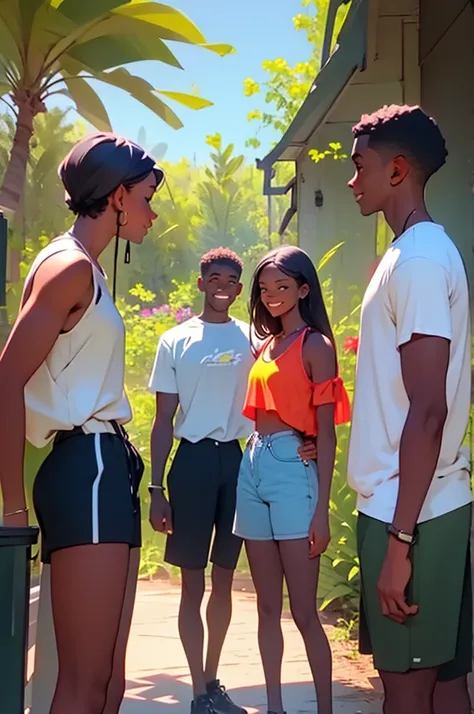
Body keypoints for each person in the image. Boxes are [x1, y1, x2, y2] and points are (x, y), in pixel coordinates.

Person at [0, 132, 164, 714]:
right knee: (82, 683)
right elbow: (7, 377)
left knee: (108, 685)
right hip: (86, 466)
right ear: (117, 197)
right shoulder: (69, 268)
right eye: (146, 198)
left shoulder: (81, 266)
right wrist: (14, 510)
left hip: (104, 468)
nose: (151, 212)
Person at [148, 247, 317, 714]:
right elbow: (163, 420)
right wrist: (157, 488)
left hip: (240, 464)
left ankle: (213, 679)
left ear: (242, 290)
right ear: (201, 282)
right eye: (215, 277)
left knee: (224, 580)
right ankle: (198, 692)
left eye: (232, 281)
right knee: (192, 583)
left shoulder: (254, 340)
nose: (223, 286)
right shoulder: (175, 340)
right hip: (192, 465)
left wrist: (311, 437)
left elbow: (287, 386)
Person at [347, 104, 472, 714]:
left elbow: (428, 410)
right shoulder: (410, 254)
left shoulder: (419, 260)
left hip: (413, 513)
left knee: (406, 695)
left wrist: (400, 542)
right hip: (419, 506)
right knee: (445, 688)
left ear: (397, 170)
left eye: (360, 166)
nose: (351, 180)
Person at [233, 245, 351, 714]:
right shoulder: (264, 344)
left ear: (304, 289)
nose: (273, 296)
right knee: (265, 607)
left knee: (303, 612)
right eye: (265, 289)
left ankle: (324, 709)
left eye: (283, 287)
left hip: (291, 472)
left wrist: (320, 510)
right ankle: (275, 707)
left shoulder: (315, 346)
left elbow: (326, 433)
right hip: (254, 464)